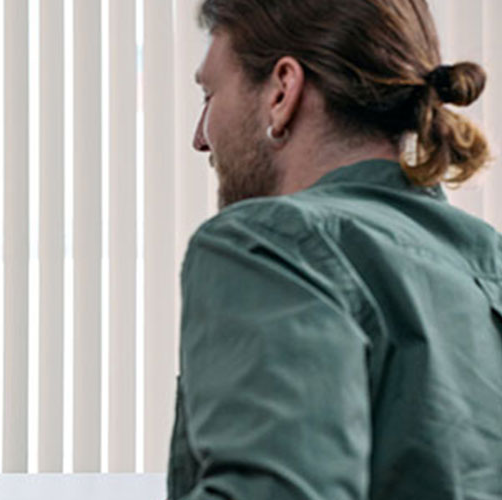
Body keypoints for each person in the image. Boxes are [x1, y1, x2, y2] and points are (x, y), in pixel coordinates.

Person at [170, 0, 502, 499]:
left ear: (283, 90)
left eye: (210, 94)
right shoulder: (486, 262)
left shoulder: (268, 243)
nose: (201, 138)